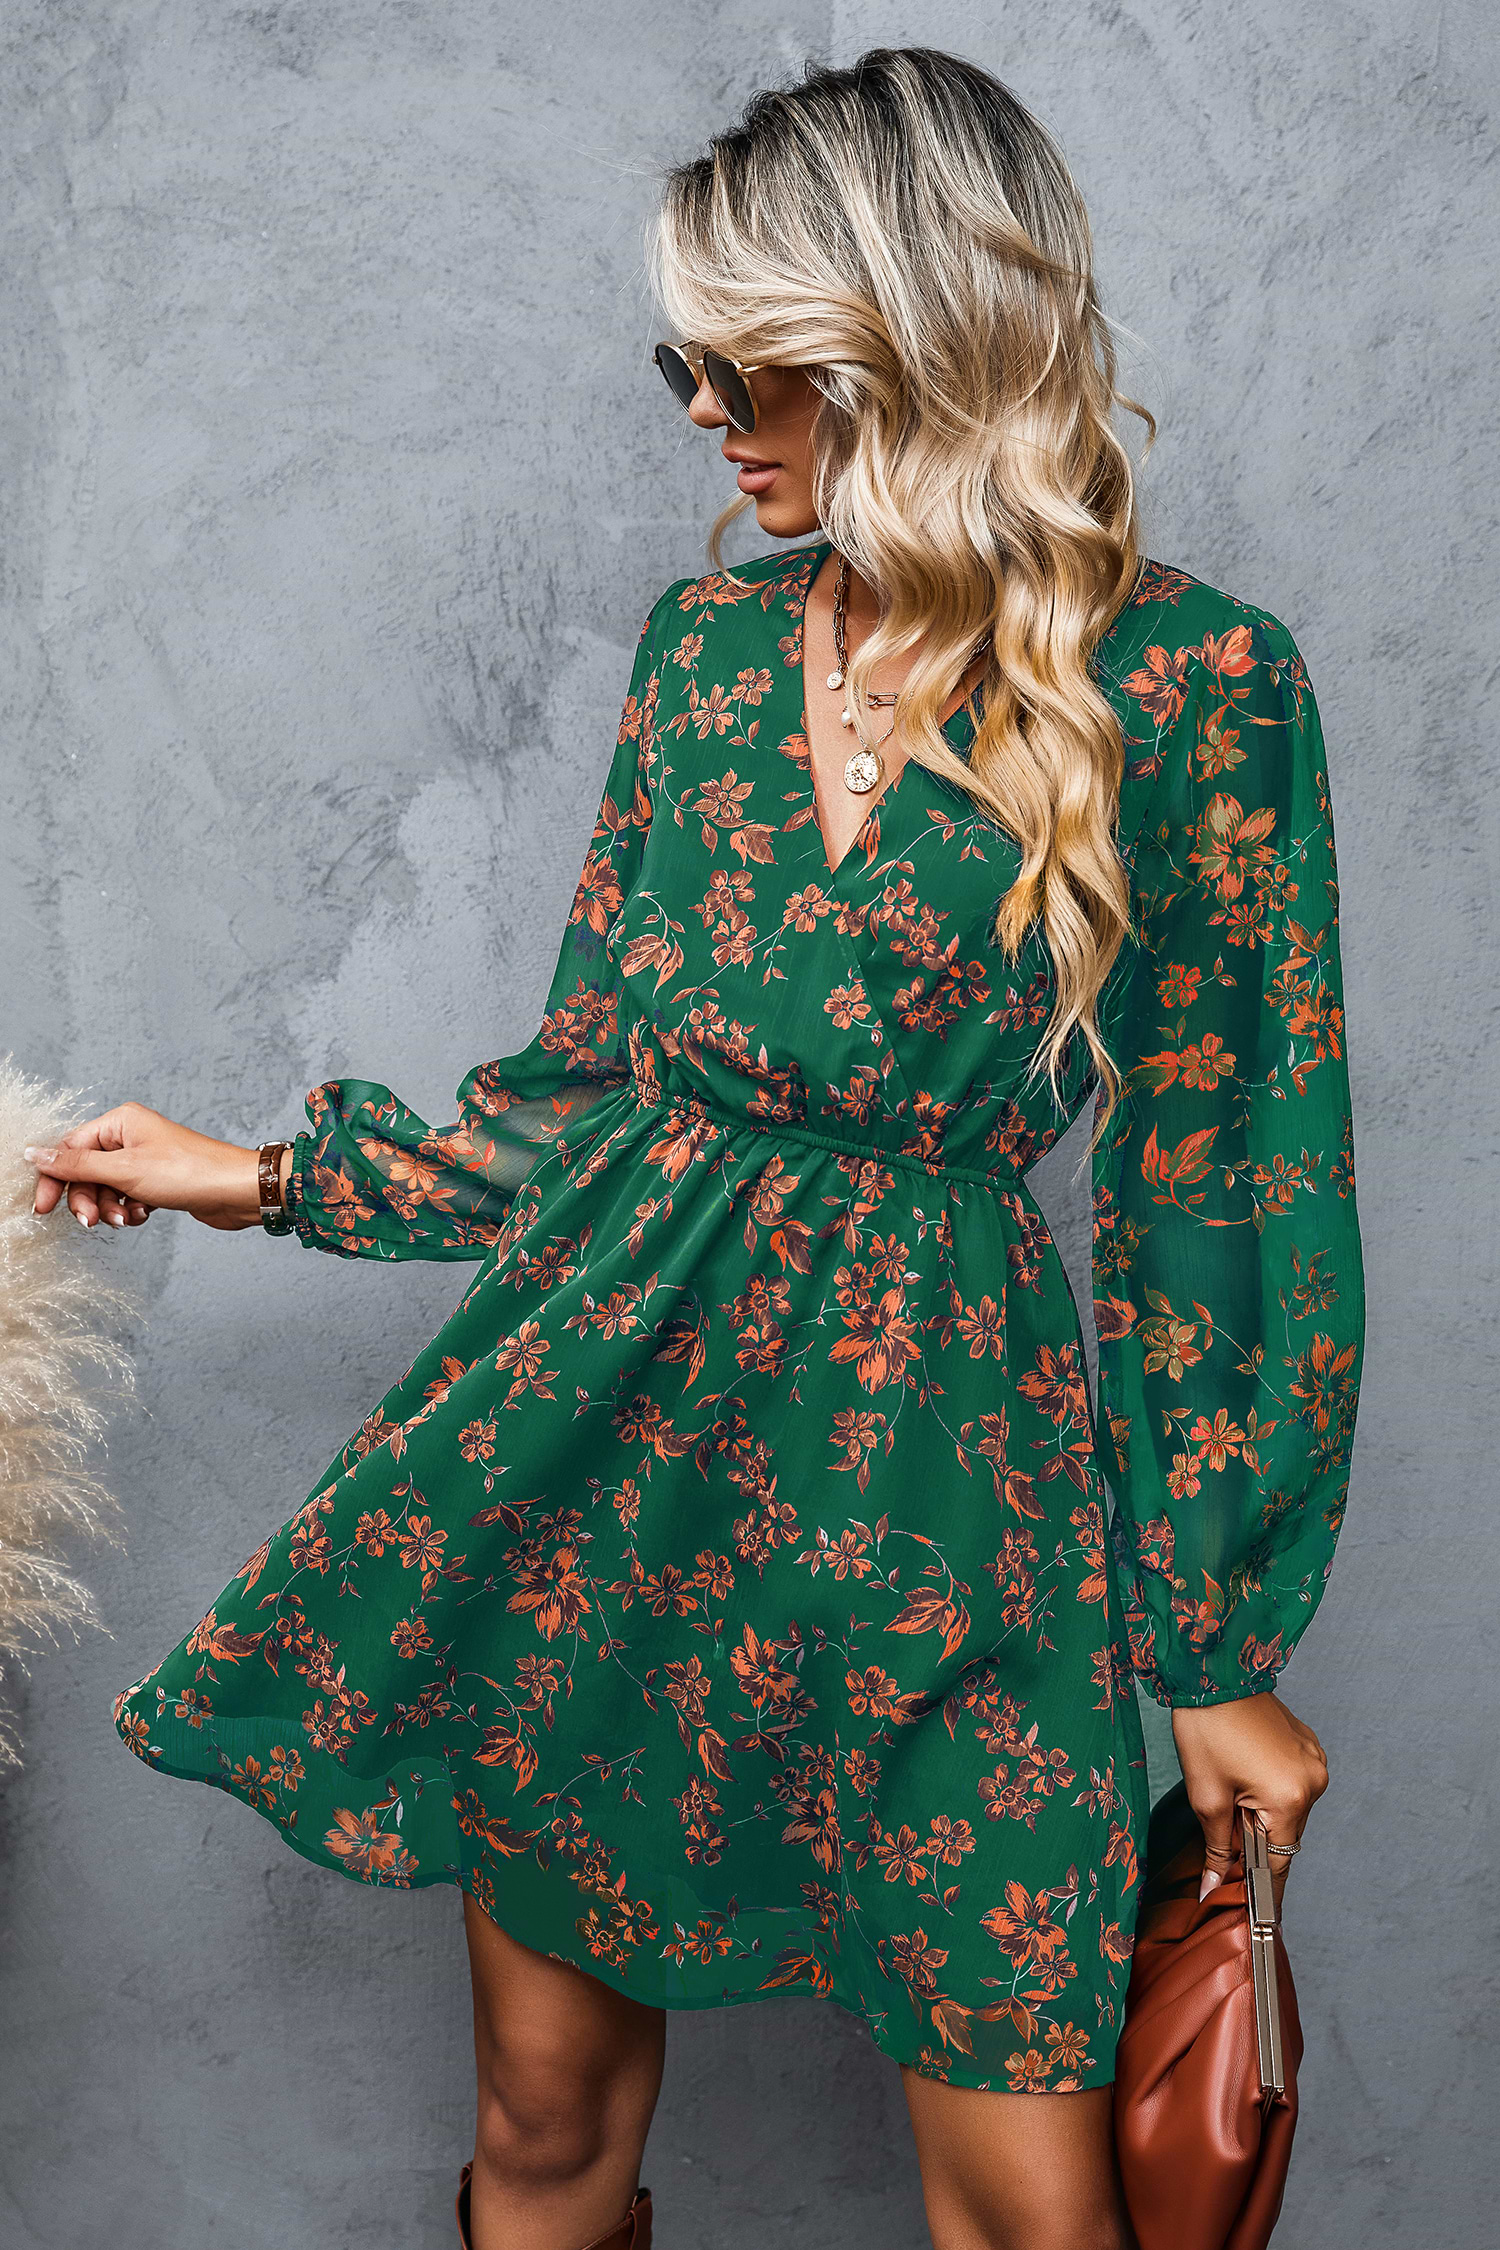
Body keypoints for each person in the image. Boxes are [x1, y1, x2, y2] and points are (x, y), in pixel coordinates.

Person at [25, 47, 1363, 2250]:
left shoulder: (1192, 680)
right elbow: (592, 1101)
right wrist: (251, 1173)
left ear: (910, 340)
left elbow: (1230, 1183)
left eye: (752, 366)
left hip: (950, 1490)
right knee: (543, 2124)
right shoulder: (707, 654)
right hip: (617, 1454)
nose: (706, 416)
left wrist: (1212, 1648)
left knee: (1037, 2213)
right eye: (687, 366)